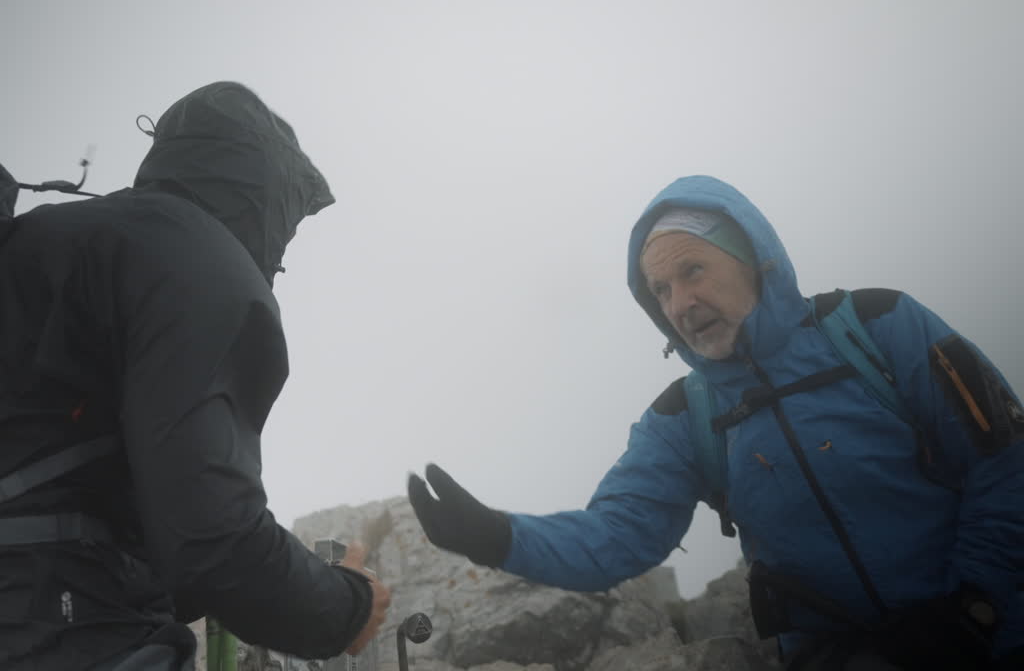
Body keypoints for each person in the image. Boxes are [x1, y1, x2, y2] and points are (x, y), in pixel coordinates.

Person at [0, 81, 391, 670]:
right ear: (265, 197)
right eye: (288, 227)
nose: (281, 257)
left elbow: (71, 513)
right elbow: (213, 542)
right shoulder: (196, 257)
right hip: (61, 642)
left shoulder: (38, 244)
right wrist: (346, 606)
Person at [407, 175, 1024, 670]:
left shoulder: (879, 326)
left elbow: (1003, 460)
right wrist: (493, 536)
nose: (678, 304)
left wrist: (976, 610)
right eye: (661, 290)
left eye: (692, 271)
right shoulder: (683, 418)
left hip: (986, 626)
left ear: (754, 259)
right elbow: (616, 536)